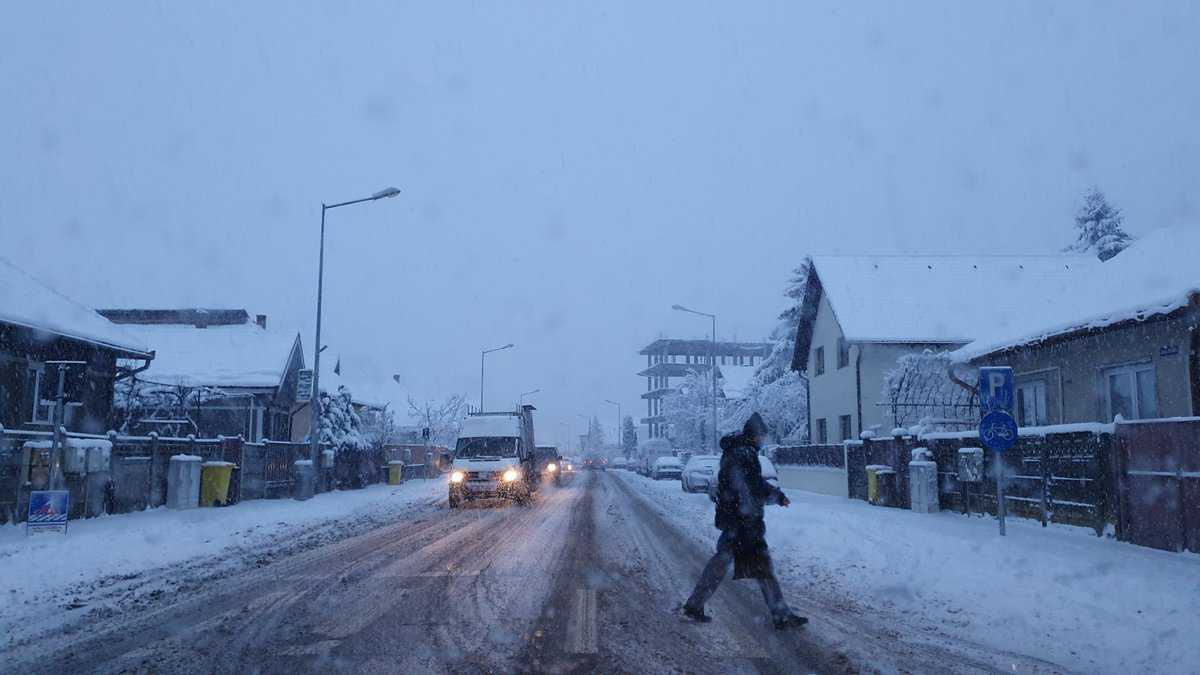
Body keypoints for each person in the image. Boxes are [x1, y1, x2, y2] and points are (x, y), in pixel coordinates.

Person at [681, 412, 807, 629]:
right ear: (754, 436)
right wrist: (767, 503)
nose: (762, 441)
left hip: (736, 520)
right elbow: (751, 486)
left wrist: (775, 497)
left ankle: (695, 605)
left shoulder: (738, 452)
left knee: (743, 565)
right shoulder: (744, 454)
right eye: (761, 437)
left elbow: (750, 484)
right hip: (743, 522)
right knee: (752, 566)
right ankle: (780, 615)